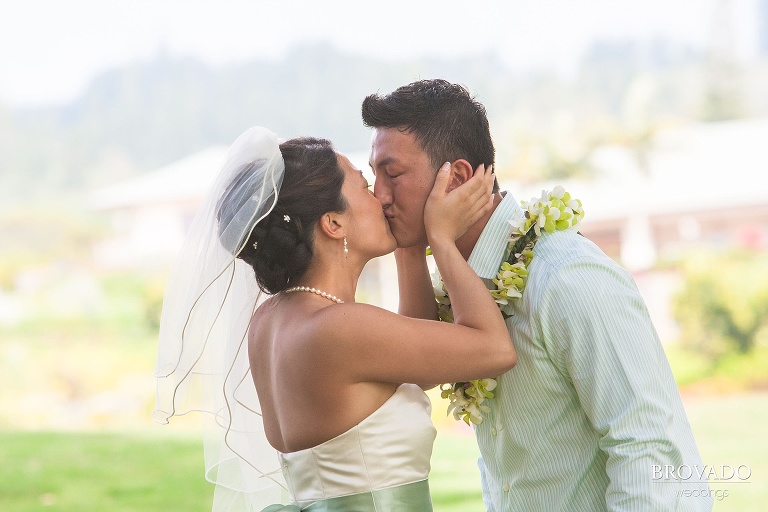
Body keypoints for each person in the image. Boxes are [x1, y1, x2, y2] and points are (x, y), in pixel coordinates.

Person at [362, 79, 713, 511]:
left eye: (392, 174)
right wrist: (412, 245)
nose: (378, 195)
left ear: (456, 177)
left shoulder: (566, 277)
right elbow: (414, 368)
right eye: (374, 175)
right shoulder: (461, 286)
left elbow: (652, 453)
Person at [153, 126, 516, 511]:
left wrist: (410, 247)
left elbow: (412, 370)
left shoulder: (272, 320)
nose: (380, 196)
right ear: (334, 223)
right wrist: (441, 239)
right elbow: (494, 350)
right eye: (363, 186)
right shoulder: (340, 328)